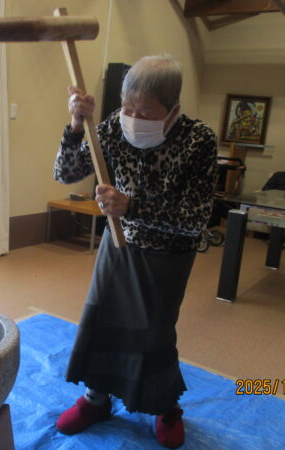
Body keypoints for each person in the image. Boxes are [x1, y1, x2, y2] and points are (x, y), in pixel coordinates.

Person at [52, 54, 217, 448]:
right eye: (128, 107)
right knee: (100, 320)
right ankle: (96, 399)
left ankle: (164, 406)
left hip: (168, 254)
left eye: (146, 112)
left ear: (173, 109)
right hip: (118, 243)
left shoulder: (198, 140)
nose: (133, 117)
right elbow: (65, 173)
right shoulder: (113, 127)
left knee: (154, 333)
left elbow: (196, 218)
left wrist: (132, 206)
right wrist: (76, 125)